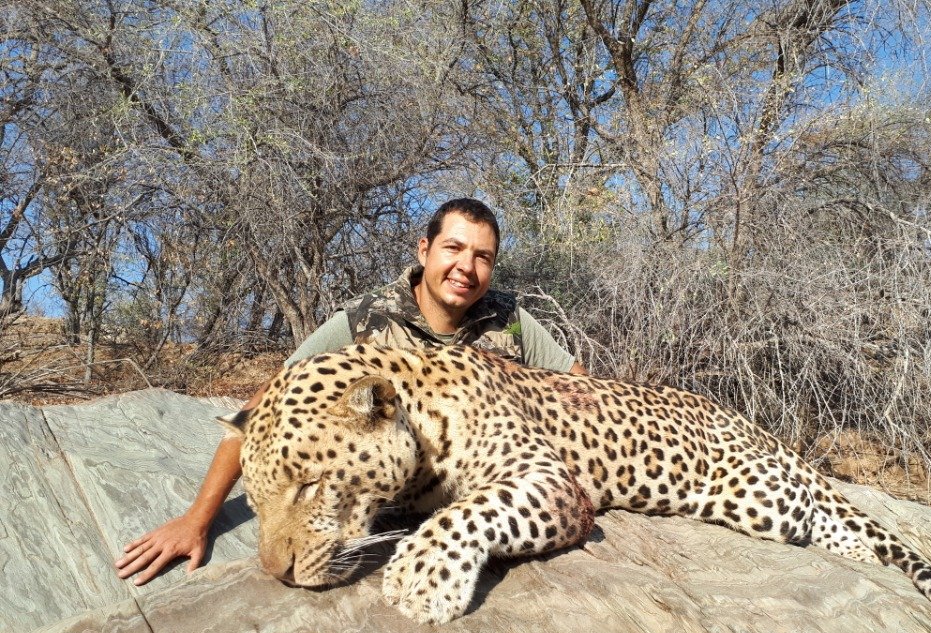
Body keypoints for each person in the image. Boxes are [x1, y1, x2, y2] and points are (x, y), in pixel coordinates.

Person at [116, 198, 586, 585]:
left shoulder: (511, 320)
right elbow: (267, 408)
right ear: (424, 251)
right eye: (454, 248)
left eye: (482, 257)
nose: (466, 267)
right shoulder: (363, 319)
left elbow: (577, 385)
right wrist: (198, 518)